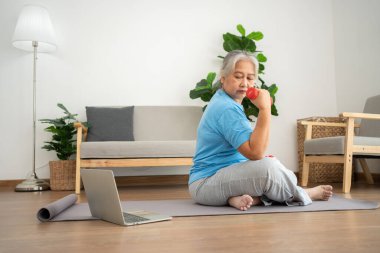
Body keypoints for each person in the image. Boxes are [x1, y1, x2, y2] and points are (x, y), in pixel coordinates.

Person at [189, 50, 333, 211]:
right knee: (271, 169)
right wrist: (265, 109)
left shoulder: (224, 100)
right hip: (205, 184)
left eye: (250, 78)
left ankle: (237, 199)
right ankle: (305, 193)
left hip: (220, 179)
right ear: (223, 77)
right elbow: (255, 152)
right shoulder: (226, 108)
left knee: (274, 164)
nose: (244, 83)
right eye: (238, 76)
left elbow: (252, 152)